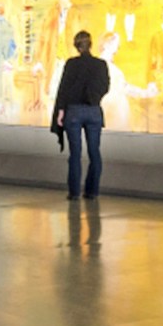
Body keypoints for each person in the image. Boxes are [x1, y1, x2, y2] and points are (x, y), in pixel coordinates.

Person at [50, 31, 110, 200]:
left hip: (74, 111)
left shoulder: (71, 64)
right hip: (94, 111)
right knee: (94, 153)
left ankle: (74, 192)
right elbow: (105, 86)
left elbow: (64, 89)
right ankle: (92, 192)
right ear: (90, 44)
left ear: (76, 46)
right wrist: (93, 98)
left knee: (75, 154)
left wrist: (61, 111)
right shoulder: (100, 64)